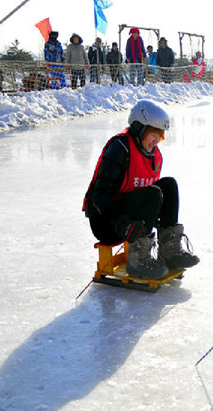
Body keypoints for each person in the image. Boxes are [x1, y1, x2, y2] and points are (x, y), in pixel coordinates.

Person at [83, 100, 199, 279]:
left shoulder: (154, 155)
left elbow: (148, 201)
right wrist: (122, 223)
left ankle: (169, 250)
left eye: (160, 135)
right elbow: (100, 196)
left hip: (130, 219)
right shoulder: (120, 148)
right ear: (139, 128)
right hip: (106, 222)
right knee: (153, 192)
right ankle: (138, 260)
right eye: (154, 134)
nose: (157, 140)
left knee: (168, 185)